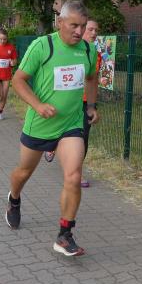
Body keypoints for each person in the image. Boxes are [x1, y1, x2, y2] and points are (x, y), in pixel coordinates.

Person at [4, 1, 99, 256]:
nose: (79, 31)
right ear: (60, 23)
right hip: (40, 125)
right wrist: (37, 105)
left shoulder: (88, 50)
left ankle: (64, 235)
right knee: (24, 172)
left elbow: (91, 78)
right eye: (74, 25)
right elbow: (18, 80)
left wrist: (91, 106)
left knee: (74, 176)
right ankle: (14, 198)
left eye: (83, 26)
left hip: (71, 124)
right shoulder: (43, 46)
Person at [44, 19, 101, 188]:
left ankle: (76, 172)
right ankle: (53, 145)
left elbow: (93, 79)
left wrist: (92, 105)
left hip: (84, 102)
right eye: (90, 29)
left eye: (96, 30)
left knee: (83, 137)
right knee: (60, 131)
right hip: (66, 100)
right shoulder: (67, 50)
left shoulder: (94, 54)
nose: (94, 33)